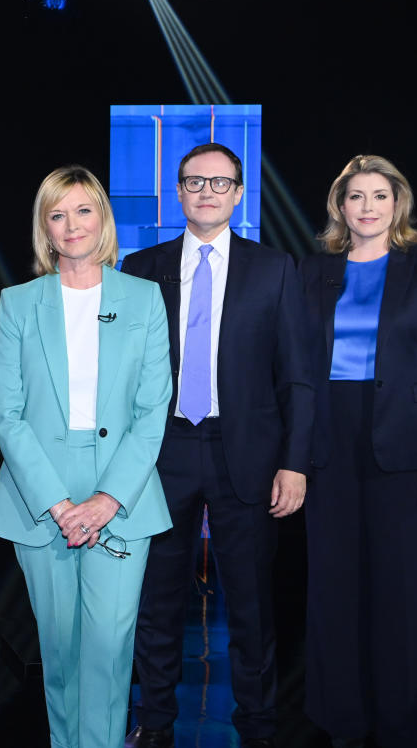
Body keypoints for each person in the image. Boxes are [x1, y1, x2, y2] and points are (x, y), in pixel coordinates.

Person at [120, 142, 314, 748]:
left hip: (248, 453)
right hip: (163, 452)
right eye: (194, 181)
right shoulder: (140, 266)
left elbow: (298, 376)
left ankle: (256, 726)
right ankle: (154, 723)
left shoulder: (275, 267)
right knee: (155, 602)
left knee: (253, 604)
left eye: (219, 182)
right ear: (178, 191)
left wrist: (295, 464)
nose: (206, 191)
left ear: (237, 194)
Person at [0, 165, 172, 748]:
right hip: (40, 495)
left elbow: (152, 409)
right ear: (45, 227)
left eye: (83, 210)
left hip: (124, 492)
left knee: (108, 652)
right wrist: (59, 503)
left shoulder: (144, 298)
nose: (72, 225)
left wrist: (107, 499)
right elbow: (5, 413)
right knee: (61, 652)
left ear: (103, 220)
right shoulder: (18, 304)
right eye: (57, 214)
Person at [299, 155, 417, 748]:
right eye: (355, 197)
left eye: (379, 196)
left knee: (406, 590)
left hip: (411, 446)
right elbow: (298, 368)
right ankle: (340, 717)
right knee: (335, 586)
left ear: (398, 204)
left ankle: (410, 721)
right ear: (339, 207)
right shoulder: (313, 271)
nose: (367, 207)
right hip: (329, 443)